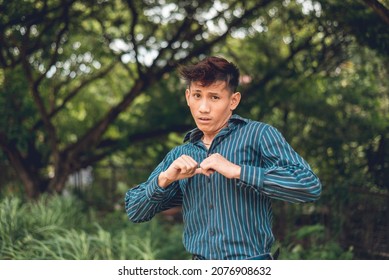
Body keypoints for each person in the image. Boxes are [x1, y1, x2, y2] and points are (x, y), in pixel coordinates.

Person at [125, 56, 322, 260]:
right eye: (197, 96)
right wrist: (165, 179)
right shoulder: (180, 155)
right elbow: (135, 211)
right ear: (187, 97)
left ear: (233, 100)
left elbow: (308, 186)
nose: (203, 108)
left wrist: (238, 171)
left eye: (214, 97)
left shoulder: (259, 135)